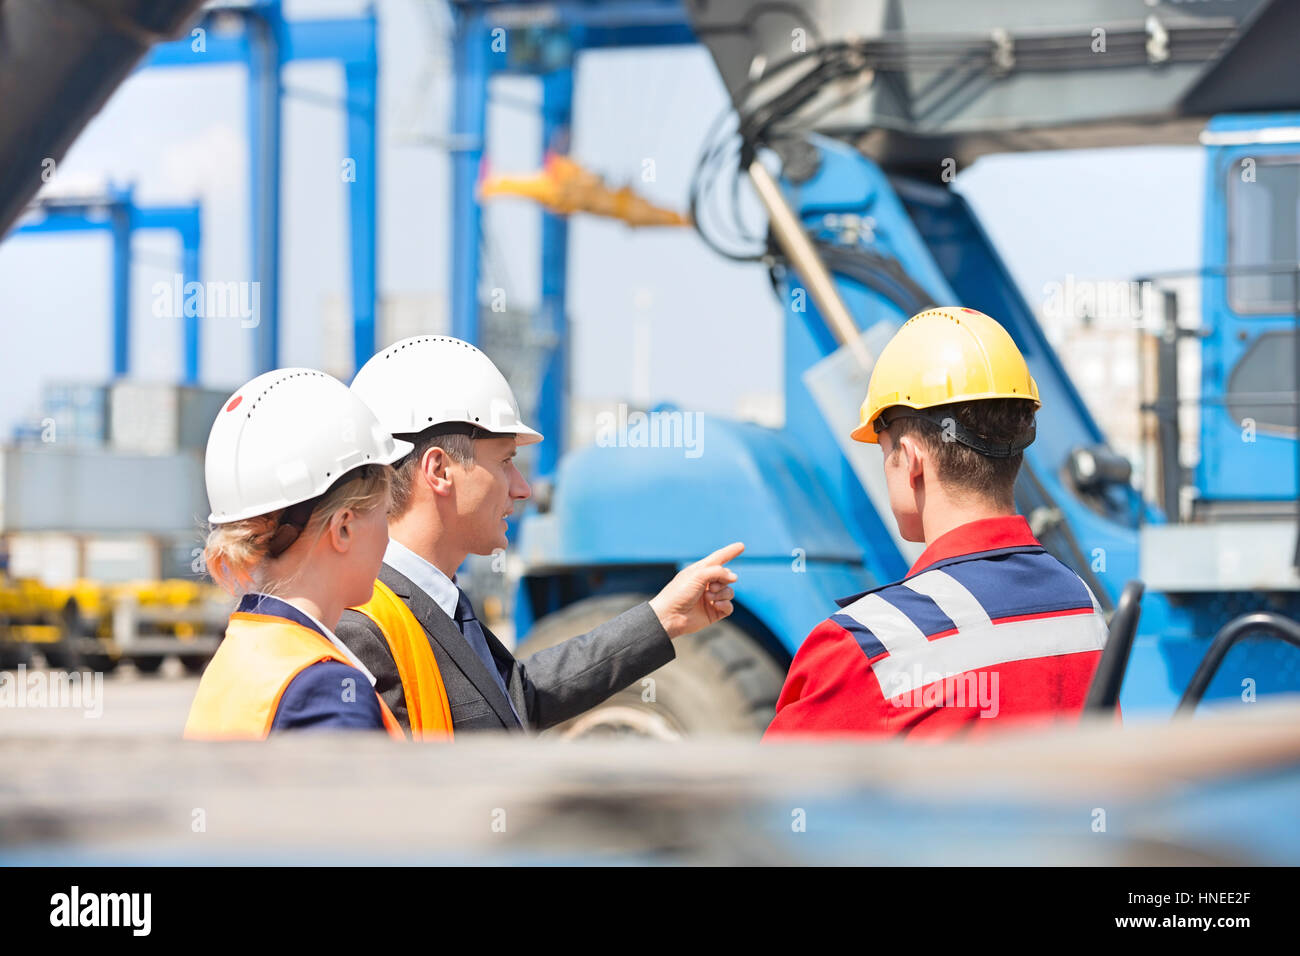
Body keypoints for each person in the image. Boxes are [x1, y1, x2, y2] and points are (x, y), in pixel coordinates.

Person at [337, 335, 741, 737]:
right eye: (506, 461)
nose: (523, 488)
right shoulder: (363, 628)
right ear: (439, 470)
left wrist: (663, 618)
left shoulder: (438, 603)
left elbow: (514, 698)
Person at [765, 307, 1109, 739]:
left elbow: (771, 803)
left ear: (910, 461)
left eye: (883, 451)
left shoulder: (865, 647)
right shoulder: (1081, 606)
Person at [184, 368, 417, 740]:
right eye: (384, 514)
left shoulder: (242, 649)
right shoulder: (326, 693)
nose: (388, 538)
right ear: (343, 527)